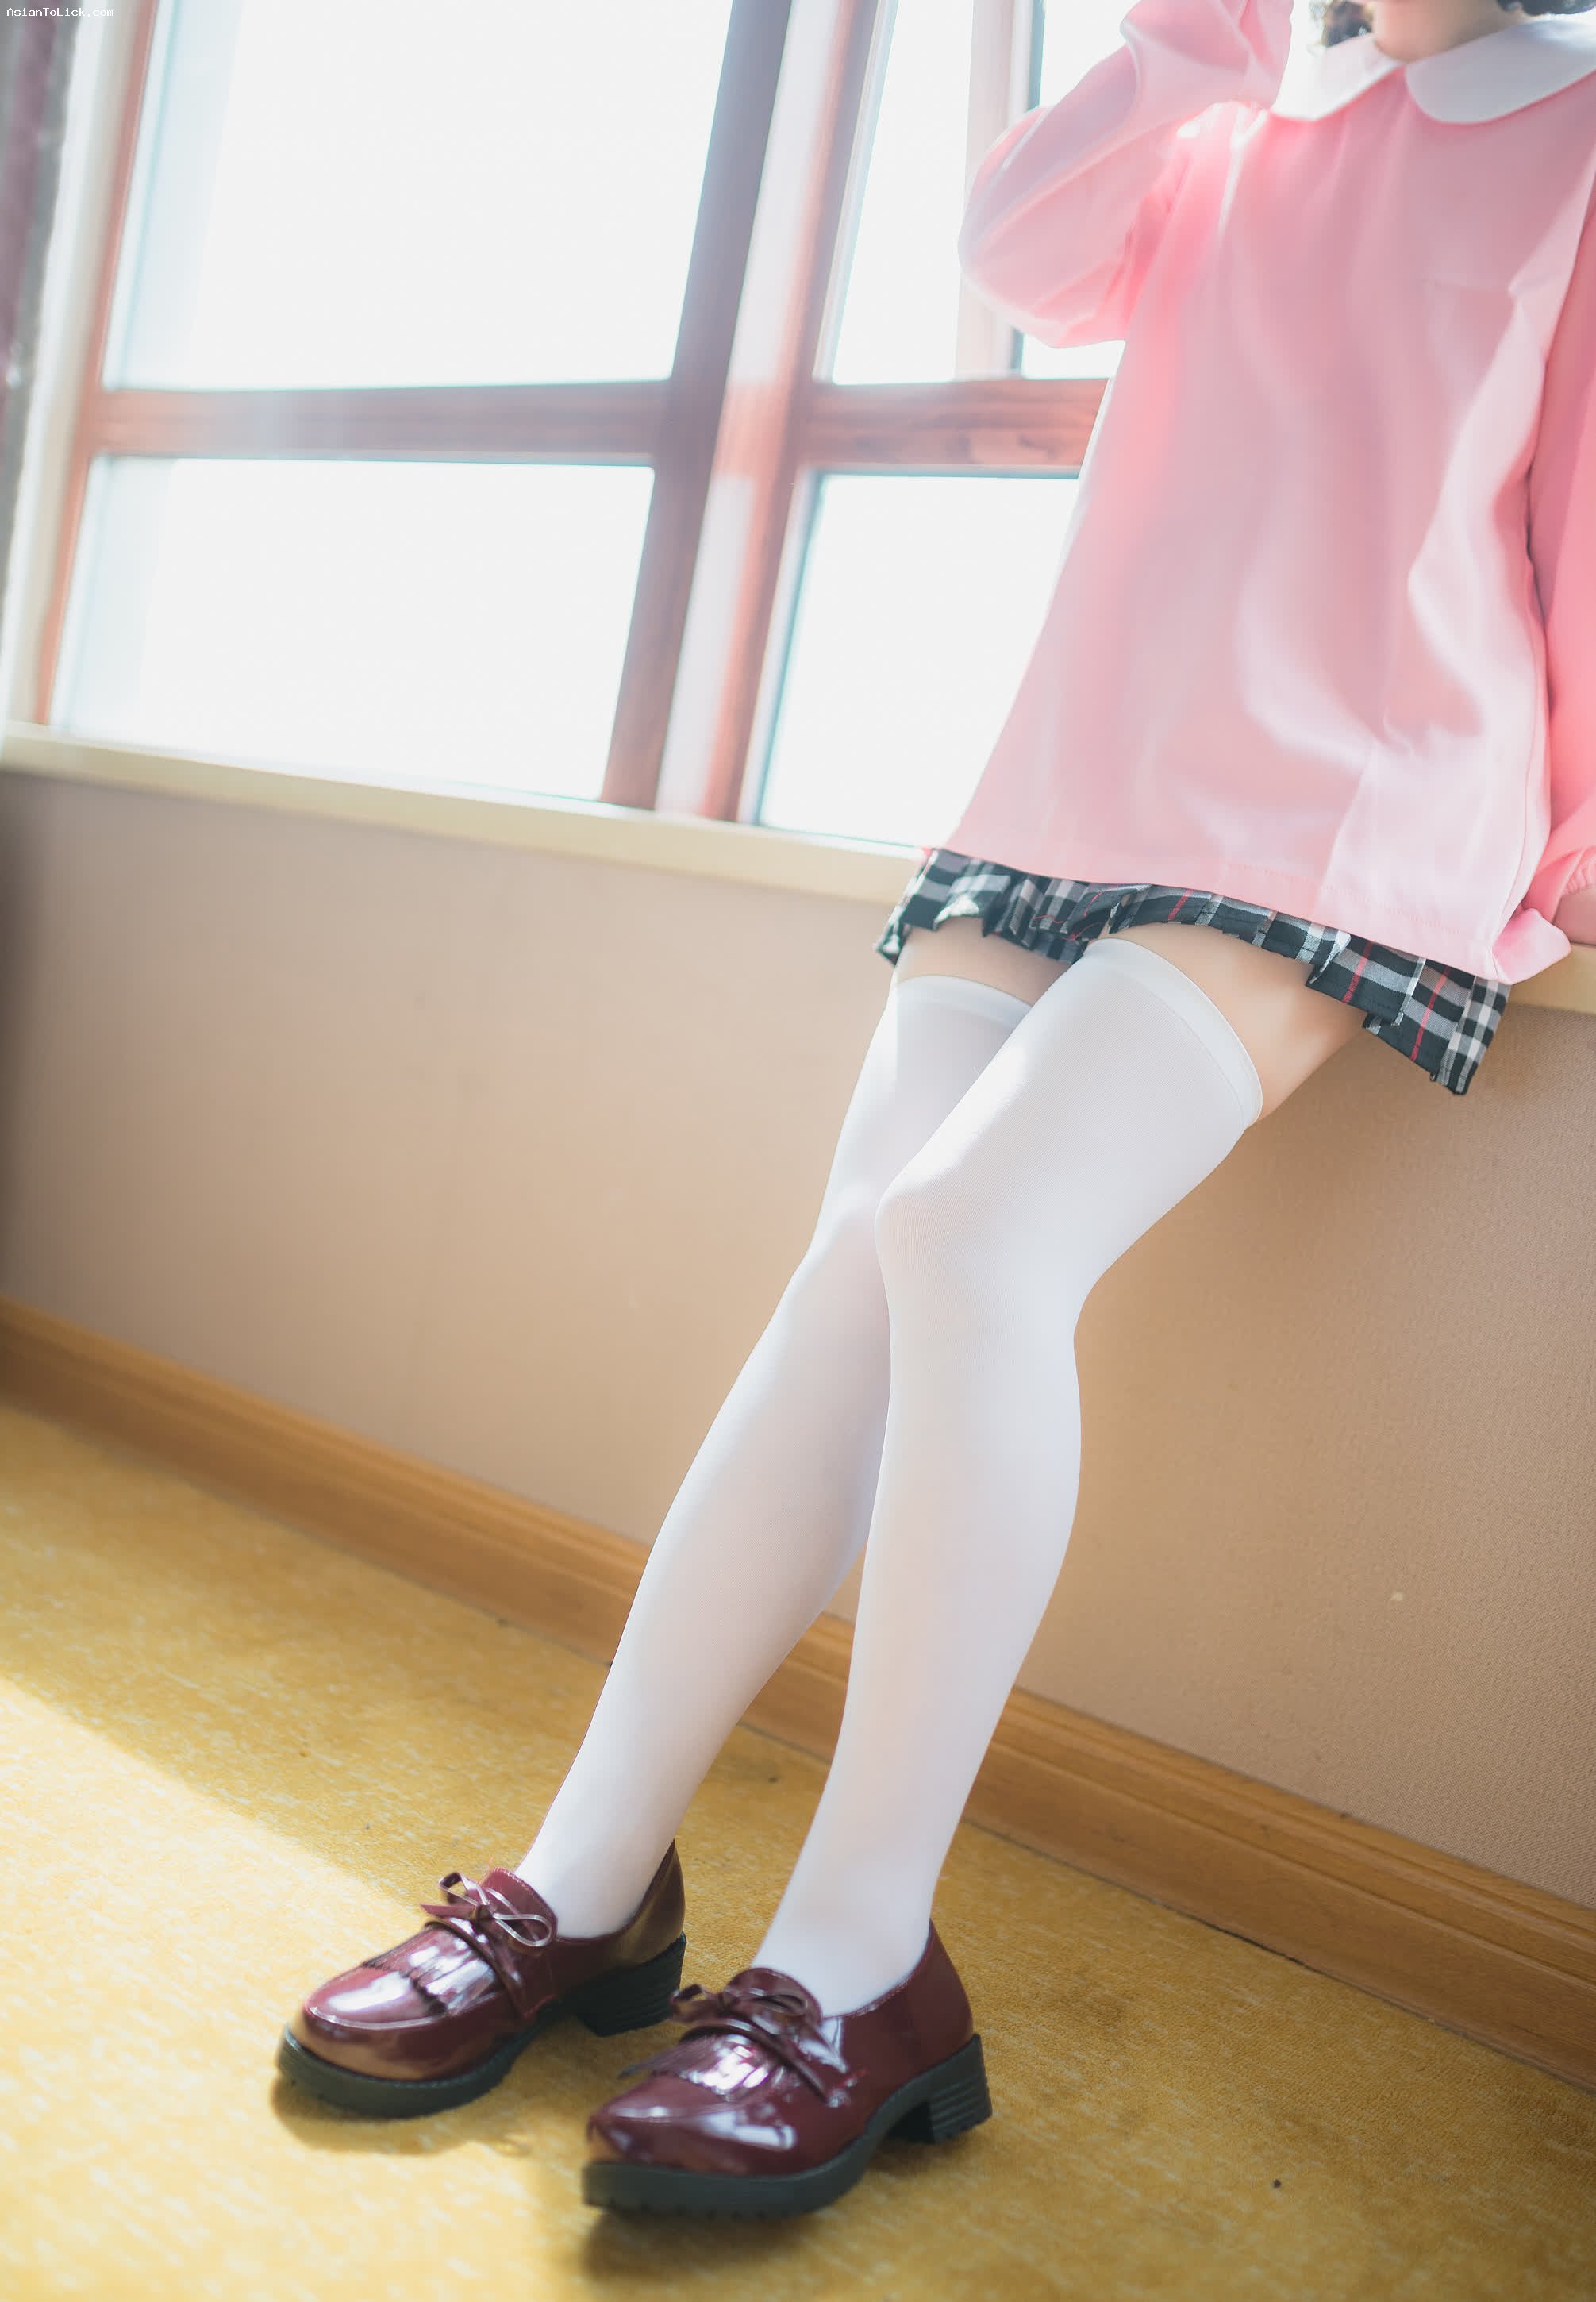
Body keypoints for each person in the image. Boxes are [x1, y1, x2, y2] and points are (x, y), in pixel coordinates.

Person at [277, 0, 1596, 2220]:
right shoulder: (1236, 103)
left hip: (1352, 812)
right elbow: (1023, 261)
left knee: (973, 1237)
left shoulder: (1573, 134)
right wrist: (1194, 41)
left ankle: (859, 1954)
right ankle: (589, 1877)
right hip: (1073, 777)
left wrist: (1556, 858)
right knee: (852, 1272)